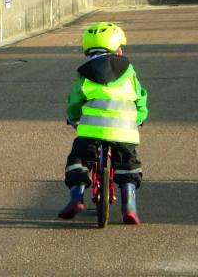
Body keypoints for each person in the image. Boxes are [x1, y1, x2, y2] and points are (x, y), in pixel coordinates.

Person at [58, 21, 148, 225]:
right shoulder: (129, 71)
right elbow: (140, 97)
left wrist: (72, 117)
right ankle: (130, 205)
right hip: (124, 131)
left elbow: (75, 99)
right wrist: (140, 117)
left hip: (91, 130)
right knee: (128, 166)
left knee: (78, 160)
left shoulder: (84, 72)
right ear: (119, 49)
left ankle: (77, 196)